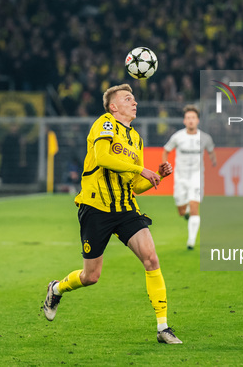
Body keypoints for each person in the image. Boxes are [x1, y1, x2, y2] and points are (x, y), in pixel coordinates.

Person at [42, 84, 182, 344]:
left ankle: (163, 327)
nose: (135, 102)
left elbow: (133, 185)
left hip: (125, 208)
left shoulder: (136, 139)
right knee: (91, 276)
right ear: (113, 106)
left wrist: (157, 175)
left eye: (135, 98)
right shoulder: (104, 124)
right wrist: (142, 170)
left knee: (151, 258)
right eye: (128, 99)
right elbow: (104, 158)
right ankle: (56, 288)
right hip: (96, 207)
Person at [162, 104, 216, 250]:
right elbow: (166, 150)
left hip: (196, 177)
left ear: (197, 120)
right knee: (181, 211)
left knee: (194, 208)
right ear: (184, 121)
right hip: (180, 178)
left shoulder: (205, 138)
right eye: (188, 118)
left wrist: (214, 161)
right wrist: (164, 164)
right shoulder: (178, 136)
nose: (191, 120)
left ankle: (191, 241)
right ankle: (185, 212)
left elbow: (211, 151)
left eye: (193, 118)